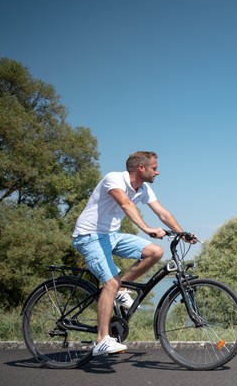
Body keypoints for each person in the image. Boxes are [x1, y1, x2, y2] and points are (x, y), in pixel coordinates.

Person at [71, 151, 195, 356]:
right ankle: (102, 339)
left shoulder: (143, 189)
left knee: (155, 251)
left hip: (112, 235)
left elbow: (162, 213)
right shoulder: (114, 179)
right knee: (110, 282)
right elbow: (125, 204)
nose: (158, 172)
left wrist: (182, 233)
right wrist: (147, 229)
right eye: (154, 168)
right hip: (89, 235)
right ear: (141, 168)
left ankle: (120, 289)